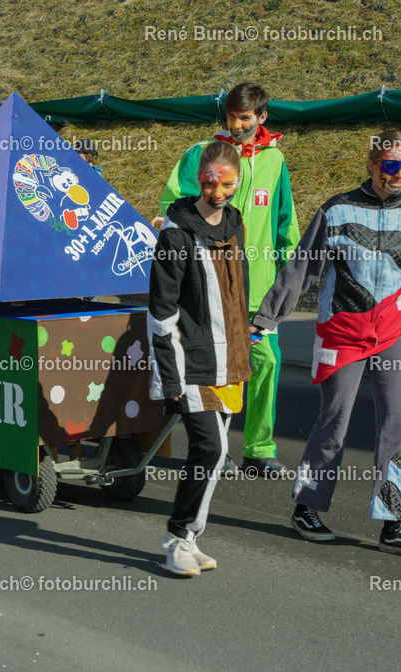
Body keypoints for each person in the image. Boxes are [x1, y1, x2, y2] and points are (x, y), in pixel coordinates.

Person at [250, 130, 401, 559]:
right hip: (340, 334)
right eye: (392, 166)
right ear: (373, 165)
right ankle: (308, 507)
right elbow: (301, 270)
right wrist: (266, 319)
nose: (400, 175)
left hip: (391, 339)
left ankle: (394, 523)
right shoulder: (336, 210)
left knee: (397, 424)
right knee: (334, 422)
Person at [157, 83, 298, 475]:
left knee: (266, 362)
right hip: (211, 283)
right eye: (231, 117)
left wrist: (295, 273)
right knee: (217, 367)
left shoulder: (275, 160)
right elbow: (175, 203)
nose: (236, 125)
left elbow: (286, 223)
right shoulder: (204, 153)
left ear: (262, 117)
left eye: (245, 118)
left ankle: (259, 448)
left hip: (260, 290)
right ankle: (214, 449)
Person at [149, 141, 252, 576]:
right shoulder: (176, 234)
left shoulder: (235, 222)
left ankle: (187, 538)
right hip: (191, 362)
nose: (219, 193)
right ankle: (178, 537)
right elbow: (160, 315)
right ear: (199, 181)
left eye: (227, 184)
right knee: (209, 448)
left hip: (231, 359)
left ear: (237, 181)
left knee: (218, 449)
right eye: (211, 183)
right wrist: (169, 380)